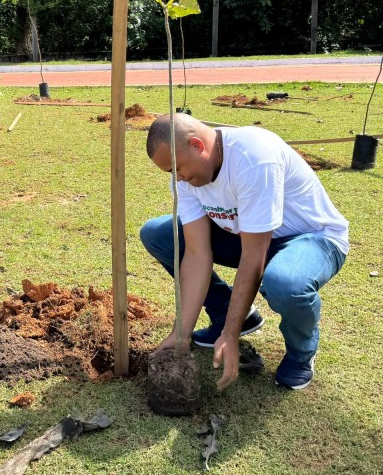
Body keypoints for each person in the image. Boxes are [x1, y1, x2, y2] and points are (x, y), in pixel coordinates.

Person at [139, 114, 349, 391]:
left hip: (310, 239)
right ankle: (228, 311)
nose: (178, 178)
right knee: (160, 235)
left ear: (197, 145)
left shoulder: (254, 159)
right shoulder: (185, 180)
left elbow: (254, 255)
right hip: (247, 236)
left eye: (177, 168)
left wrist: (231, 333)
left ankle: (301, 353)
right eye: (170, 173)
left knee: (285, 283)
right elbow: (197, 254)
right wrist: (182, 333)